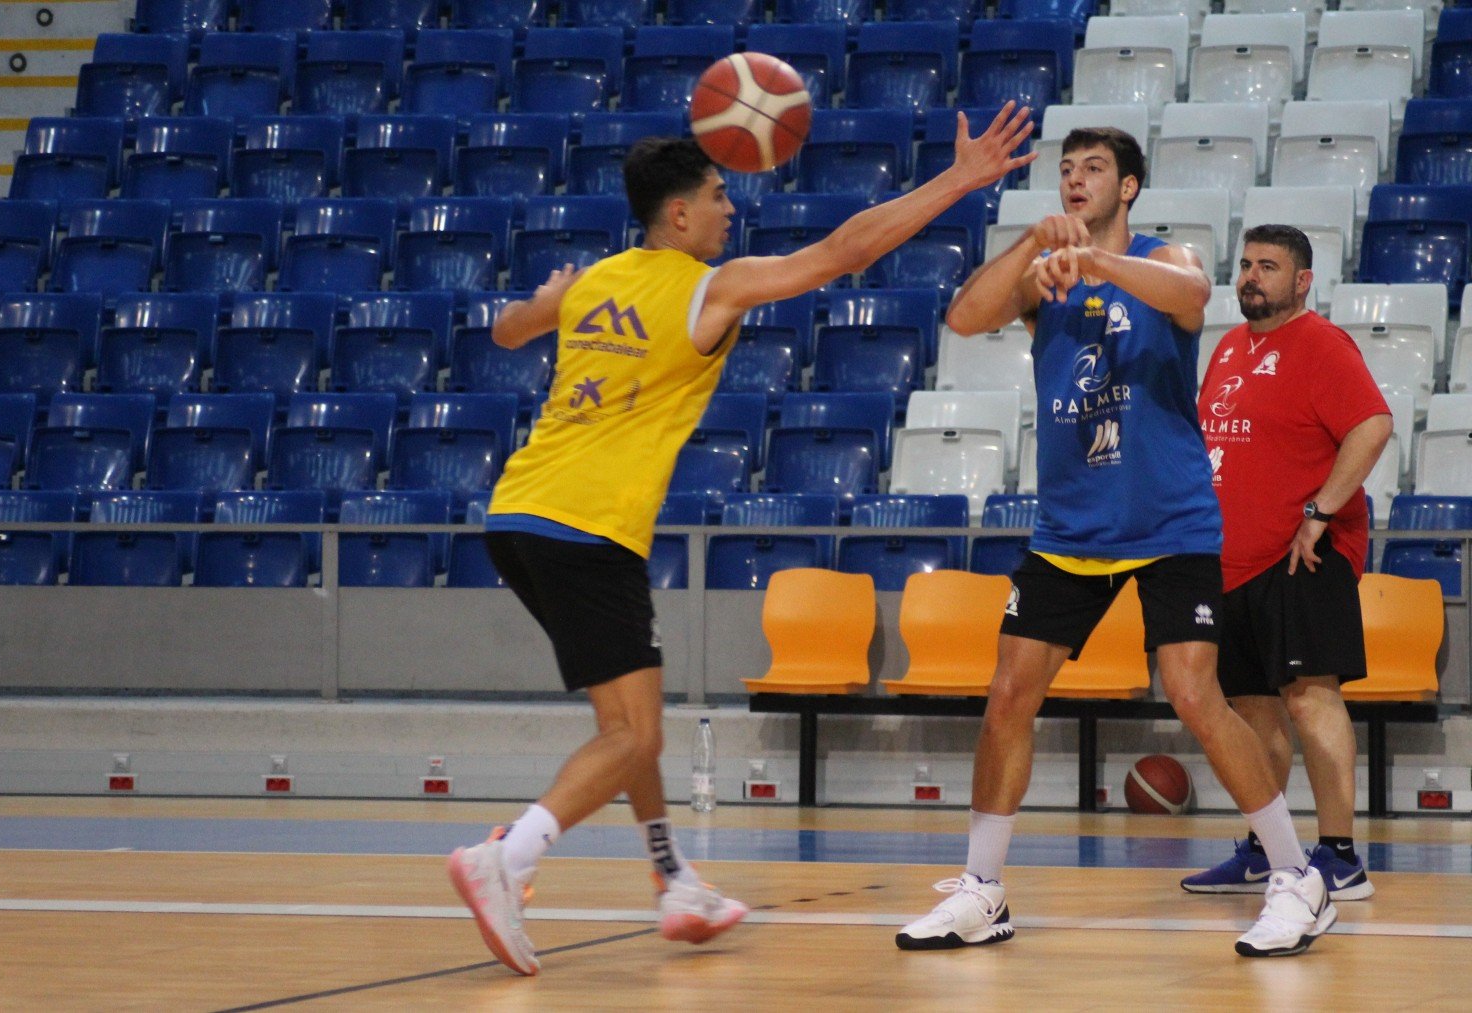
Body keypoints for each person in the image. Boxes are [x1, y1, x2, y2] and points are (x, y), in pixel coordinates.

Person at [448, 103, 1038, 977]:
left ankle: (673, 878)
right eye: (720, 195)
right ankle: (510, 855)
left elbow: (502, 331)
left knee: (626, 725)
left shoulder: (595, 280)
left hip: (519, 516)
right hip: (591, 525)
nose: (732, 209)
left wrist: (540, 307)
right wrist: (959, 179)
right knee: (633, 736)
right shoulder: (704, 287)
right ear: (678, 213)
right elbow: (842, 254)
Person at [896, 128, 1337, 959]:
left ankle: (1294, 875)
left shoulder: (1161, 258)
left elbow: (1193, 291)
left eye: (1094, 169)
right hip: (1071, 528)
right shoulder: (1044, 276)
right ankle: (982, 890)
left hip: (1169, 521)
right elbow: (962, 316)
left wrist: (1096, 264)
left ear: (1128, 186)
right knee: (1007, 697)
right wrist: (1033, 243)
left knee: (1194, 694)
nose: (1075, 181)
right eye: (1065, 171)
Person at [1183, 225, 1392, 901]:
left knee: (1310, 699)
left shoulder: (1321, 344)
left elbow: (1373, 423)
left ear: (1301, 280)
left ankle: (1339, 855)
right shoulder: (1227, 347)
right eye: (1245, 264)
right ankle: (1267, 847)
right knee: (1250, 712)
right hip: (1229, 560)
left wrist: (1322, 510)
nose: (1251, 276)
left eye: (1267, 266)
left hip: (1301, 556)